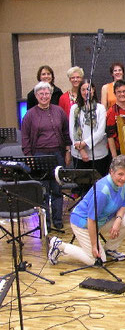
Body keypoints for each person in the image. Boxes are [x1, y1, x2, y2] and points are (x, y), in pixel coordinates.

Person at [48, 155, 125, 265]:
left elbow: (122, 205)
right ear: (111, 172)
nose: (123, 178)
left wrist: (118, 221)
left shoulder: (123, 184)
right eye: (120, 174)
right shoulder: (102, 191)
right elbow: (91, 220)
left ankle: (109, 249)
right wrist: (94, 246)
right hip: (84, 223)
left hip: (102, 221)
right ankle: (60, 246)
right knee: (96, 261)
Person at [22, 81, 71, 230]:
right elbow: (25, 137)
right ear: (36, 96)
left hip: (57, 154)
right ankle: (46, 224)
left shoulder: (59, 111)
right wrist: (29, 156)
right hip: (39, 155)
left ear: (51, 95)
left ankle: (57, 221)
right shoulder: (30, 114)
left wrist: (68, 151)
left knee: (57, 189)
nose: (44, 96)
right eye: (41, 94)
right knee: (43, 190)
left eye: (47, 93)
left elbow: (66, 132)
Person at [69, 79, 110, 178]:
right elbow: (72, 131)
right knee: (83, 187)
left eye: (88, 89)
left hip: (98, 155)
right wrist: (81, 150)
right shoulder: (74, 108)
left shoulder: (100, 108)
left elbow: (100, 132)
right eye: (83, 90)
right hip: (79, 154)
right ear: (80, 92)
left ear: (93, 90)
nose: (86, 92)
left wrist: (84, 143)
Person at [106, 80, 125, 158]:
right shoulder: (112, 111)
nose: (122, 94)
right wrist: (114, 155)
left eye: (124, 91)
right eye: (119, 92)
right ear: (115, 94)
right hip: (119, 150)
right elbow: (110, 136)